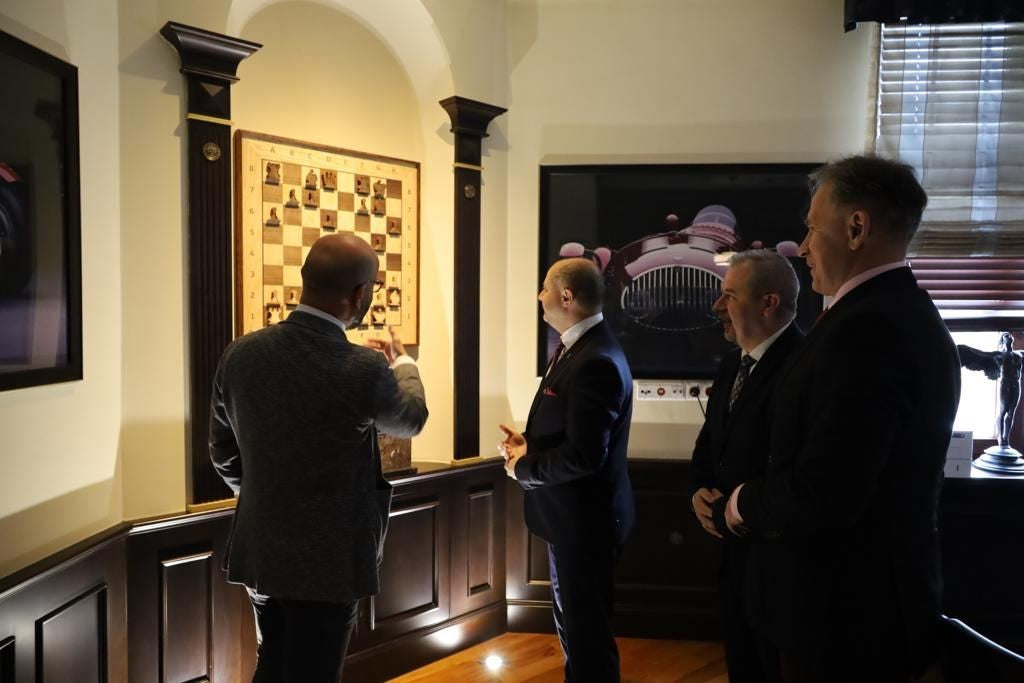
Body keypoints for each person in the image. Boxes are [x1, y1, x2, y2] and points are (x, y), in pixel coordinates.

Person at [714, 155, 961, 682]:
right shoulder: (901, 313)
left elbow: (827, 491)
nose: (802, 246)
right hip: (860, 608)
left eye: (809, 227)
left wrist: (740, 503)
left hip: (846, 619)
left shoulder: (865, 330)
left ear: (856, 228)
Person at [209, 233, 428, 682]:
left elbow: (223, 452)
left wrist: (265, 497)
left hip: (263, 551)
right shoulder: (362, 368)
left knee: (272, 665)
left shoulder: (240, 355)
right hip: (330, 563)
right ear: (358, 294)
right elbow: (410, 419)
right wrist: (404, 365)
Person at [500, 257, 634, 683]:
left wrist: (525, 467)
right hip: (572, 521)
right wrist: (530, 443)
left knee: (586, 638)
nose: (539, 296)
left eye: (544, 288)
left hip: (584, 523)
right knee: (577, 633)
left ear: (566, 297)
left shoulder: (595, 359)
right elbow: (574, 432)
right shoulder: (580, 347)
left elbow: (586, 455)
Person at [690, 249, 803, 683]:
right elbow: (709, 445)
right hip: (733, 559)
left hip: (779, 566)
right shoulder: (732, 363)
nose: (717, 306)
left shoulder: (802, 365)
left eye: (729, 295)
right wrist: (698, 489)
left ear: (768, 303)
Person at [958, 332, 1023, 450]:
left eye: (1010, 336)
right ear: (1003, 341)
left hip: (1016, 386)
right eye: (1006, 337)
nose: (1009, 338)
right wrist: (962, 351)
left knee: (1011, 413)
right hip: (1006, 386)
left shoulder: (1019, 355)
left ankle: (1006, 438)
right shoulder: (999, 356)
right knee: (1003, 412)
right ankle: (1001, 438)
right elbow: (979, 355)